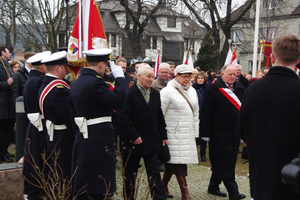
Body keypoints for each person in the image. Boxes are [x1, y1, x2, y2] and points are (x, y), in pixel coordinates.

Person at [239, 34, 300, 200]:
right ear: (298, 59)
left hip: (261, 167)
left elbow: (242, 129)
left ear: (272, 58)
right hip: (293, 172)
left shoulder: (253, 89)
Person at [69, 49, 128, 200]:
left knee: (87, 176)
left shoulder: (78, 81)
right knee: (97, 180)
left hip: (85, 133)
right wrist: (120, 78)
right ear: (102, 64)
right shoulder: (95, 83)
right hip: (98, 136)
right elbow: (118, 101)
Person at [119, 63, 167, 200]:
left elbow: (159, 116)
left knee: (154, 174)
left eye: (153, 77)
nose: (152, 79)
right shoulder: (129, 93)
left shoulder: (155, 94)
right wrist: (134, 135)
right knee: (130, 175)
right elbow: (123, 118)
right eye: (148, 77)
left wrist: (163, 135)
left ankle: (159, 197)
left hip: (151, 139)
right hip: (133, 141)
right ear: (139, 76)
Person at [200, 64, 246, 200]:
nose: (232, 77)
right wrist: (205, 133)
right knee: (224, 162)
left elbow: (243, 112)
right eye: (230, 74)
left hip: (234, 132)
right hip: (217, 133)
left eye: (234, 75)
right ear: (222, 74)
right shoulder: (213, 89)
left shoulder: (240, 89)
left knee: (230, 160)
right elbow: (206, 112)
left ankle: (213, 186)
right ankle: (234, 191)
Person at [160, 64, 199, 200]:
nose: (187, 79)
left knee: (173, 162)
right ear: (176, 76)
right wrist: (162, 134)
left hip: (187, 132)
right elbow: (160, 114)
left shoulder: (192, 91)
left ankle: (162, 185)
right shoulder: (167, 91)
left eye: (189, 76)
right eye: (184, 76)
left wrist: (195, 133)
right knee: (178, 162)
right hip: (173, 133)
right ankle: (185, 193)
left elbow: (196, 113)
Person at [38, 51, 74, 188]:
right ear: (58, 68)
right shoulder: (58, 90)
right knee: (63, 172)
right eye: (65, 67)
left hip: (55, 134)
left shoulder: (47, 84)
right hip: (63, 137)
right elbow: (69, 118)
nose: (67, 71)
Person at [23, 51, 51, 200]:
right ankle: (35, 192)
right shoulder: (38, 81)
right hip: (39, 125)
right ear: (42, 66)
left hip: (35, 125)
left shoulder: (33, 79)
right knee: (38, 159)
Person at [0, 46, 14, 163]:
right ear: (2, 53)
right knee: (3, 129)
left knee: (8, 129)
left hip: (9, 102)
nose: (10, 54)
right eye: (8, 52)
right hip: (2, 103)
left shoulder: (6, 65)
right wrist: (6, 84)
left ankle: (4, 150)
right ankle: (1, 153)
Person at [192, 72, 209, 162]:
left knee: (203, 136)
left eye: (202, 78)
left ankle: (203, 154)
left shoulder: (208, 88)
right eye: (198, 78)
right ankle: (194, 153)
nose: (200, 80)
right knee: (194, 135)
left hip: (204, 114)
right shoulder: (193, 88)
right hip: (195, 113)